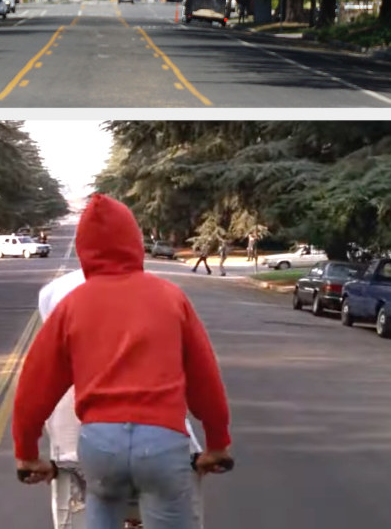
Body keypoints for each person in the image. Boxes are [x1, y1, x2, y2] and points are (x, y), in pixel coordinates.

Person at [12, 194, 233, 529]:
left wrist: (27, 453)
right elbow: (205, 379)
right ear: (135, 241)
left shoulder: (71, 305)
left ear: (84, 248)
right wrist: (217, 444)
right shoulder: (171, 297)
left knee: (101, 504)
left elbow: (35, 386)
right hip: (162, 443)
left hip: (100, 447)